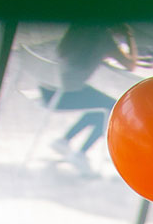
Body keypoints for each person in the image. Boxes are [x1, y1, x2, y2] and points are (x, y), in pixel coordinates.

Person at [42, 24, 138, 173]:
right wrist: (129, 36)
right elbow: (131, 64)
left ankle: (64, 140)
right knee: (112, 108)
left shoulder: (77, 29)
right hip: (65, 96)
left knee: (102, 105)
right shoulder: (104, 38)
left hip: (48, 92)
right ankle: (81, 153)